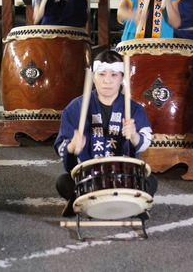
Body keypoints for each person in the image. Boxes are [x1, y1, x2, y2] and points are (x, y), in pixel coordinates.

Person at [54, 50, 158, 217]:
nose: (107, 80)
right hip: (90, 177)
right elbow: (62, 144)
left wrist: (134, 136)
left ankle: (102, 205)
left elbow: (146, 139)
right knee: (63, 182)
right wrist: (73, 145)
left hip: (123, 176)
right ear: (93, 77)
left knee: (150, 181)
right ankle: (121, 206)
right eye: (101, 74)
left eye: (114, 75)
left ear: (122, 78)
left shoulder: (134, 108)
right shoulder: (76, 107)